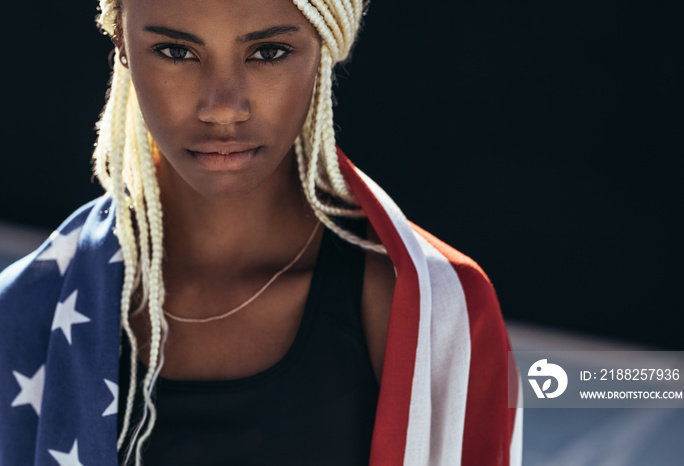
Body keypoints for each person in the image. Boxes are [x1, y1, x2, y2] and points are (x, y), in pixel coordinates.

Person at [0, 0, 522, 464]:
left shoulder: (429, 305)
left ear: (323, 46)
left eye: (269, 52)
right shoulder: (25, 311)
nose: (222, 106)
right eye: (176, 52)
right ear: (121, 42)